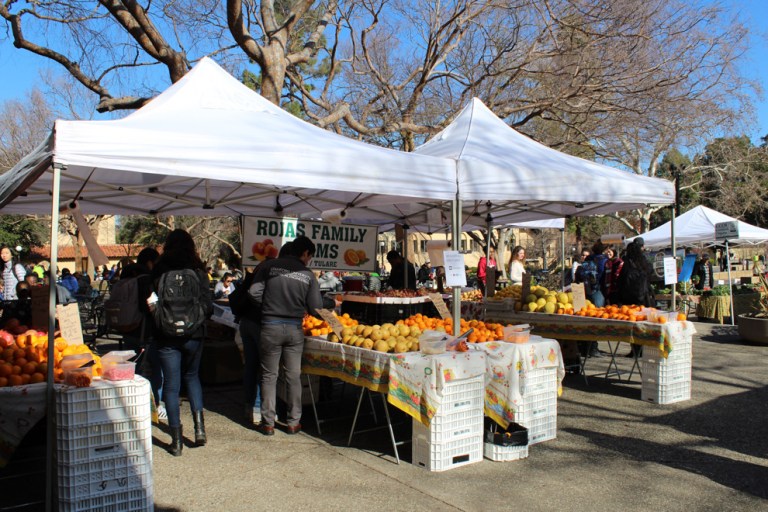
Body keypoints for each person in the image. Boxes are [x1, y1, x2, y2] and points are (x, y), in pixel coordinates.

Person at [249, 236, 323, 436]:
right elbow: (316, 308)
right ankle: (293, 422)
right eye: (310, 256)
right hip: (294, 329)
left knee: (269, 375)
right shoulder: (307, 275)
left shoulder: (269, 266)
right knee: (293, 376)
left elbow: (254, 293)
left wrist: (269, 306)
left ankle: (268, 423)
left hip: (270, 326)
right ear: (305, 253)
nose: (309, 261)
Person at [151, 229, 213, 456]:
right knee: (193, 377)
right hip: (194, 334)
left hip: (166, 334)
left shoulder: (159, 268)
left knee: (171, 385)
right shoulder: (198, 270)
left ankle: (176, 440)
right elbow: (208, 305)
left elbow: (149, 301)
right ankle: (199, 430)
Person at [617, 238, 654, 357]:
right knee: (642, 323)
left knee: (632, 324)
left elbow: (621, 280)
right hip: (643, 296)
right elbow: (650, 273)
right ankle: (642, 347)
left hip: (629, 298)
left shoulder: (627, 261)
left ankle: (635, 349)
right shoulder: (644, 261)